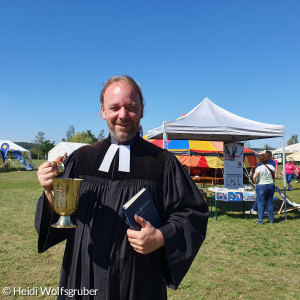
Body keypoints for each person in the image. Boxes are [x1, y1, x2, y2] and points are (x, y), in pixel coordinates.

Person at [35, 75, 209, 300]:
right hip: (84, 276)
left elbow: (193, 214)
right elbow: (60, 218)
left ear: (142, 110)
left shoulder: (162, 163)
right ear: (103, 110)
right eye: (114, 107)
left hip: (139, 281)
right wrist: (50, 192)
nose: (123, 115)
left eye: (131, 107)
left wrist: (160, 237)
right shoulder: (82, 159)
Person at [247, 150, 277, 215]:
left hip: (262, 183)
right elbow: (274, 175)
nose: (269, 157)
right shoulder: (268, 164)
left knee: (263, 200)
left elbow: (255, 176)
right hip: (268, 183)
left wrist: (255, 182)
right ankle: (257, 210)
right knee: (266, 200)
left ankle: (262, 214)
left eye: (269, 155)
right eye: (268, 155)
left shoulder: (269, 163)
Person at [252, 153, 276, 224]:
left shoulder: (259, 168)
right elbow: (275, 176)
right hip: (271, 184)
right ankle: (271, 220)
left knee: (261, 203)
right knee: (270, 202)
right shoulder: (271, 166)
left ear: (260, 160)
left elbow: (254, 177)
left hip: (261, 185)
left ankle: (260, 220)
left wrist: (255, 182)